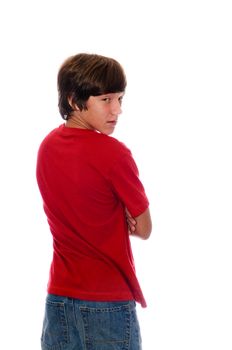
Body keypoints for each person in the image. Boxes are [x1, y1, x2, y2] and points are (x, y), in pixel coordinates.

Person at [36, 53, 152, 350]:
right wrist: (125, 217)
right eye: (106, 100)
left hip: (58, 301)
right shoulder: (114, 154)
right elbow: (144, 228)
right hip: (107, 304)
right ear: (75, 100)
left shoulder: (47, 147)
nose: (117, 110)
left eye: (120, 99)